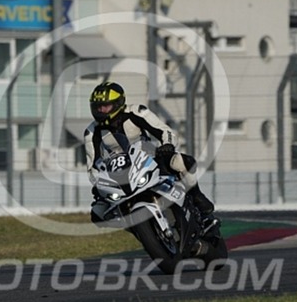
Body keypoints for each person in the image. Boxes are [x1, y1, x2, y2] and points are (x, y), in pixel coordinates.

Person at [84, 81, 215, 224]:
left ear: (118, 103)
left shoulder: (136, 112)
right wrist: (99, 184)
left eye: (105, 106)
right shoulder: (91, 132)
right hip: (118, 173)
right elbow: (92, 167)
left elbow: (163, 130)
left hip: (149, 159)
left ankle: (196, 195)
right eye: (97, 107)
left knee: (181, 162)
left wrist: (167, 145)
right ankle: (136, 228)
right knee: (98, 214)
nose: (101, 111)